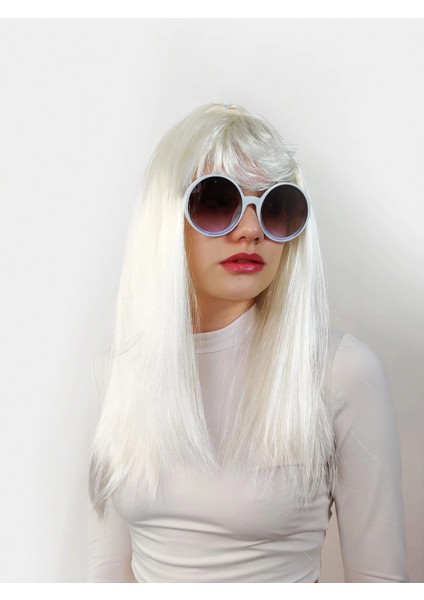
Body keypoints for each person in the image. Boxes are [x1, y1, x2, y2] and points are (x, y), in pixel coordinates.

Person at [86, 102, 408, 583]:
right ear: (165, 220)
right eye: (217, 201)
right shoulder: (119, 374)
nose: (252, 230)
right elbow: (105, 572)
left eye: (275, 206)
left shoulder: (339, 371)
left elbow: (380, 584)